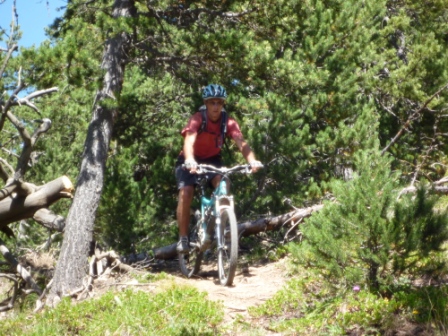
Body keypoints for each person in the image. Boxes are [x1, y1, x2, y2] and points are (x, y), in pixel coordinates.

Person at [175, 84, 263, 253]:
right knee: (186, 191)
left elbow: (241, 142)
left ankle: (219, 225)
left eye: (219, 103)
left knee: (224, 183)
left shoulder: (228, 122)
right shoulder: (198, 119)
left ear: (223, 104)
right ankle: (183, 238)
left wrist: (252, 160)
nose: (215, 107)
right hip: (188, 159)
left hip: (212, 160)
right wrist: (190, 160)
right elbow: (188, 141)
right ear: (206, 103)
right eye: (212, 103)